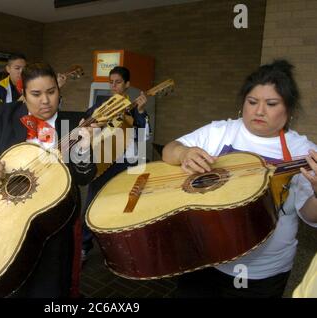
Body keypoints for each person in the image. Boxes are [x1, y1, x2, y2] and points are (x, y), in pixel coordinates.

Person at [162, 59, 317, 298]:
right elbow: (169, 149)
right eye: (252, 102)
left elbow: (310, 214)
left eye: (271, 104)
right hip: (203, 258)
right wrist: (184, 153)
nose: (259, 111)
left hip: (263, 272)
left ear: (289, 109)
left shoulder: (302, 150)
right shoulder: (220, 131)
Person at [0, 62, 96, 297]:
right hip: (5, 218)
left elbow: (85, 176)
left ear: (59, 90)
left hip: (53, 225)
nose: (45, 101)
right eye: (36, 94)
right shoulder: (2, 115)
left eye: (51, 92)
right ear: (23, 95)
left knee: (50, 289)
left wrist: (83, 148)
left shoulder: (74, 124)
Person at [81, 66, 150, 260]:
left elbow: (145, 136)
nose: (113, 85)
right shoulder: (101, 103)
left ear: (127, 84)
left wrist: (142, 113)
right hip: (102, 160)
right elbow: (84, 124)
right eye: (110, 82)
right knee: (92, 203)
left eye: (117, 82)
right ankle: (84, 246)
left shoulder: (136, 107)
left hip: (125, 162)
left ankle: (115, 247)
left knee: (121, 205)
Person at [0, 53, 67, 124]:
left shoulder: (34, 85)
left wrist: (55, 89)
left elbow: (49, 112)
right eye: (17, 68)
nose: (21, 72)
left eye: (24, 68)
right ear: (8, 69)